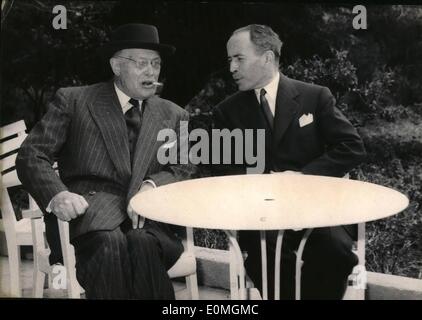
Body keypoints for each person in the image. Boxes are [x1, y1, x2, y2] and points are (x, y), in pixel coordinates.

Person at [16, 23, 197, 299]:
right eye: (141, 63)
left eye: (156, 63)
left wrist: (152, 185)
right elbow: (32, 155)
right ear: (116, 66)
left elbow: (184, 166)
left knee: (142, 243)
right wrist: (58, 194)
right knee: (110, 244)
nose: (151, 71)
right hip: (91, 219)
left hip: (149, 223)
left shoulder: (175, 115)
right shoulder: (75, 101)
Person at [212, 24, 367, 299]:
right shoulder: (227, 112)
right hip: (262, 216)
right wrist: (265, 185)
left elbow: (351, 147)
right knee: (265, 257)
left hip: (317, 210)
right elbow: (224, 171)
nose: (232, 68)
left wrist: (303, 176)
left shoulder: (315, 96)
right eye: (229, 60)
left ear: (268, 58)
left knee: (336, 252)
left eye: (239, 58)